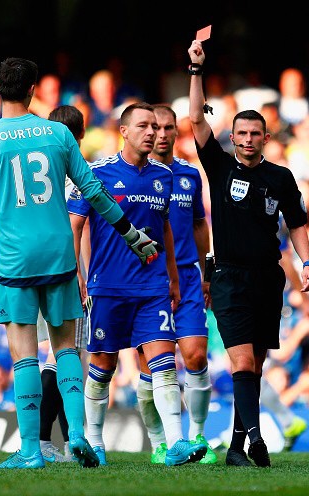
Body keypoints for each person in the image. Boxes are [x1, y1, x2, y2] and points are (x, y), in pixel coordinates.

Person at [0, 58, 162, 470]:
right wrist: (132, 235)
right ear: (33, 89)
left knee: (25, 357)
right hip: (59, 255)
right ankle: (77, 435)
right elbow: (93, 189)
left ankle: (30, 450)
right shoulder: (58, 134)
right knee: (67, 351)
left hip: (14, 261)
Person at [187, 40, 309, 467]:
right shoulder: (219, 166)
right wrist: (195, 70)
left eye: (253, 133)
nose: (246, 139)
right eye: (240, 133)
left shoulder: (280, 177)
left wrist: (308, 262)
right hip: (228, 277)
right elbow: (195, 119)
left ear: (265, 137)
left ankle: (236, 449)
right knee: (241, 359)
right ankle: (258, 440)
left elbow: (296, 223)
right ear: (232, 137)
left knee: (255, 367)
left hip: (267, 278)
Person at [68, 102, 207, 467]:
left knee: (164, 362)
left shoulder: (164, 176)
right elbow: (75, 226)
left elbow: (164, 229)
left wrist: (173, 278)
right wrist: (78, 275)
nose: (151, 132)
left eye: (154, 126)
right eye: (143, 126)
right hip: (108, 287)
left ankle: (176, 443)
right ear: (124, 131)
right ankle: (96, 443)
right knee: (102, 364)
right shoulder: (96, 173)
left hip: (152, 288)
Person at [135, 104, 216, 464]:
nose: (163, 134)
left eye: (169, 128)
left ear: (176, 133)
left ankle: (199, 436)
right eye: (157, 127)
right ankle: (159, 443)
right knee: (150, 370)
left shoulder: (189, 176)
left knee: (196, 355)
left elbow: (200, 225)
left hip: (186, 276)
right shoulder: (134, 174)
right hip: (146, 281)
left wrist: (207, 271)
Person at [36, 104, 89, 464]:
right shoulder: (82, 176)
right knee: (69, 358)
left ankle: (57, 440)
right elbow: (79, 230)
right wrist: (82, 275)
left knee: (52, 358)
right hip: (70, 273)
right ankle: (61, 441)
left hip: (34, 270)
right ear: (80, 136)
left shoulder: (43, 172)